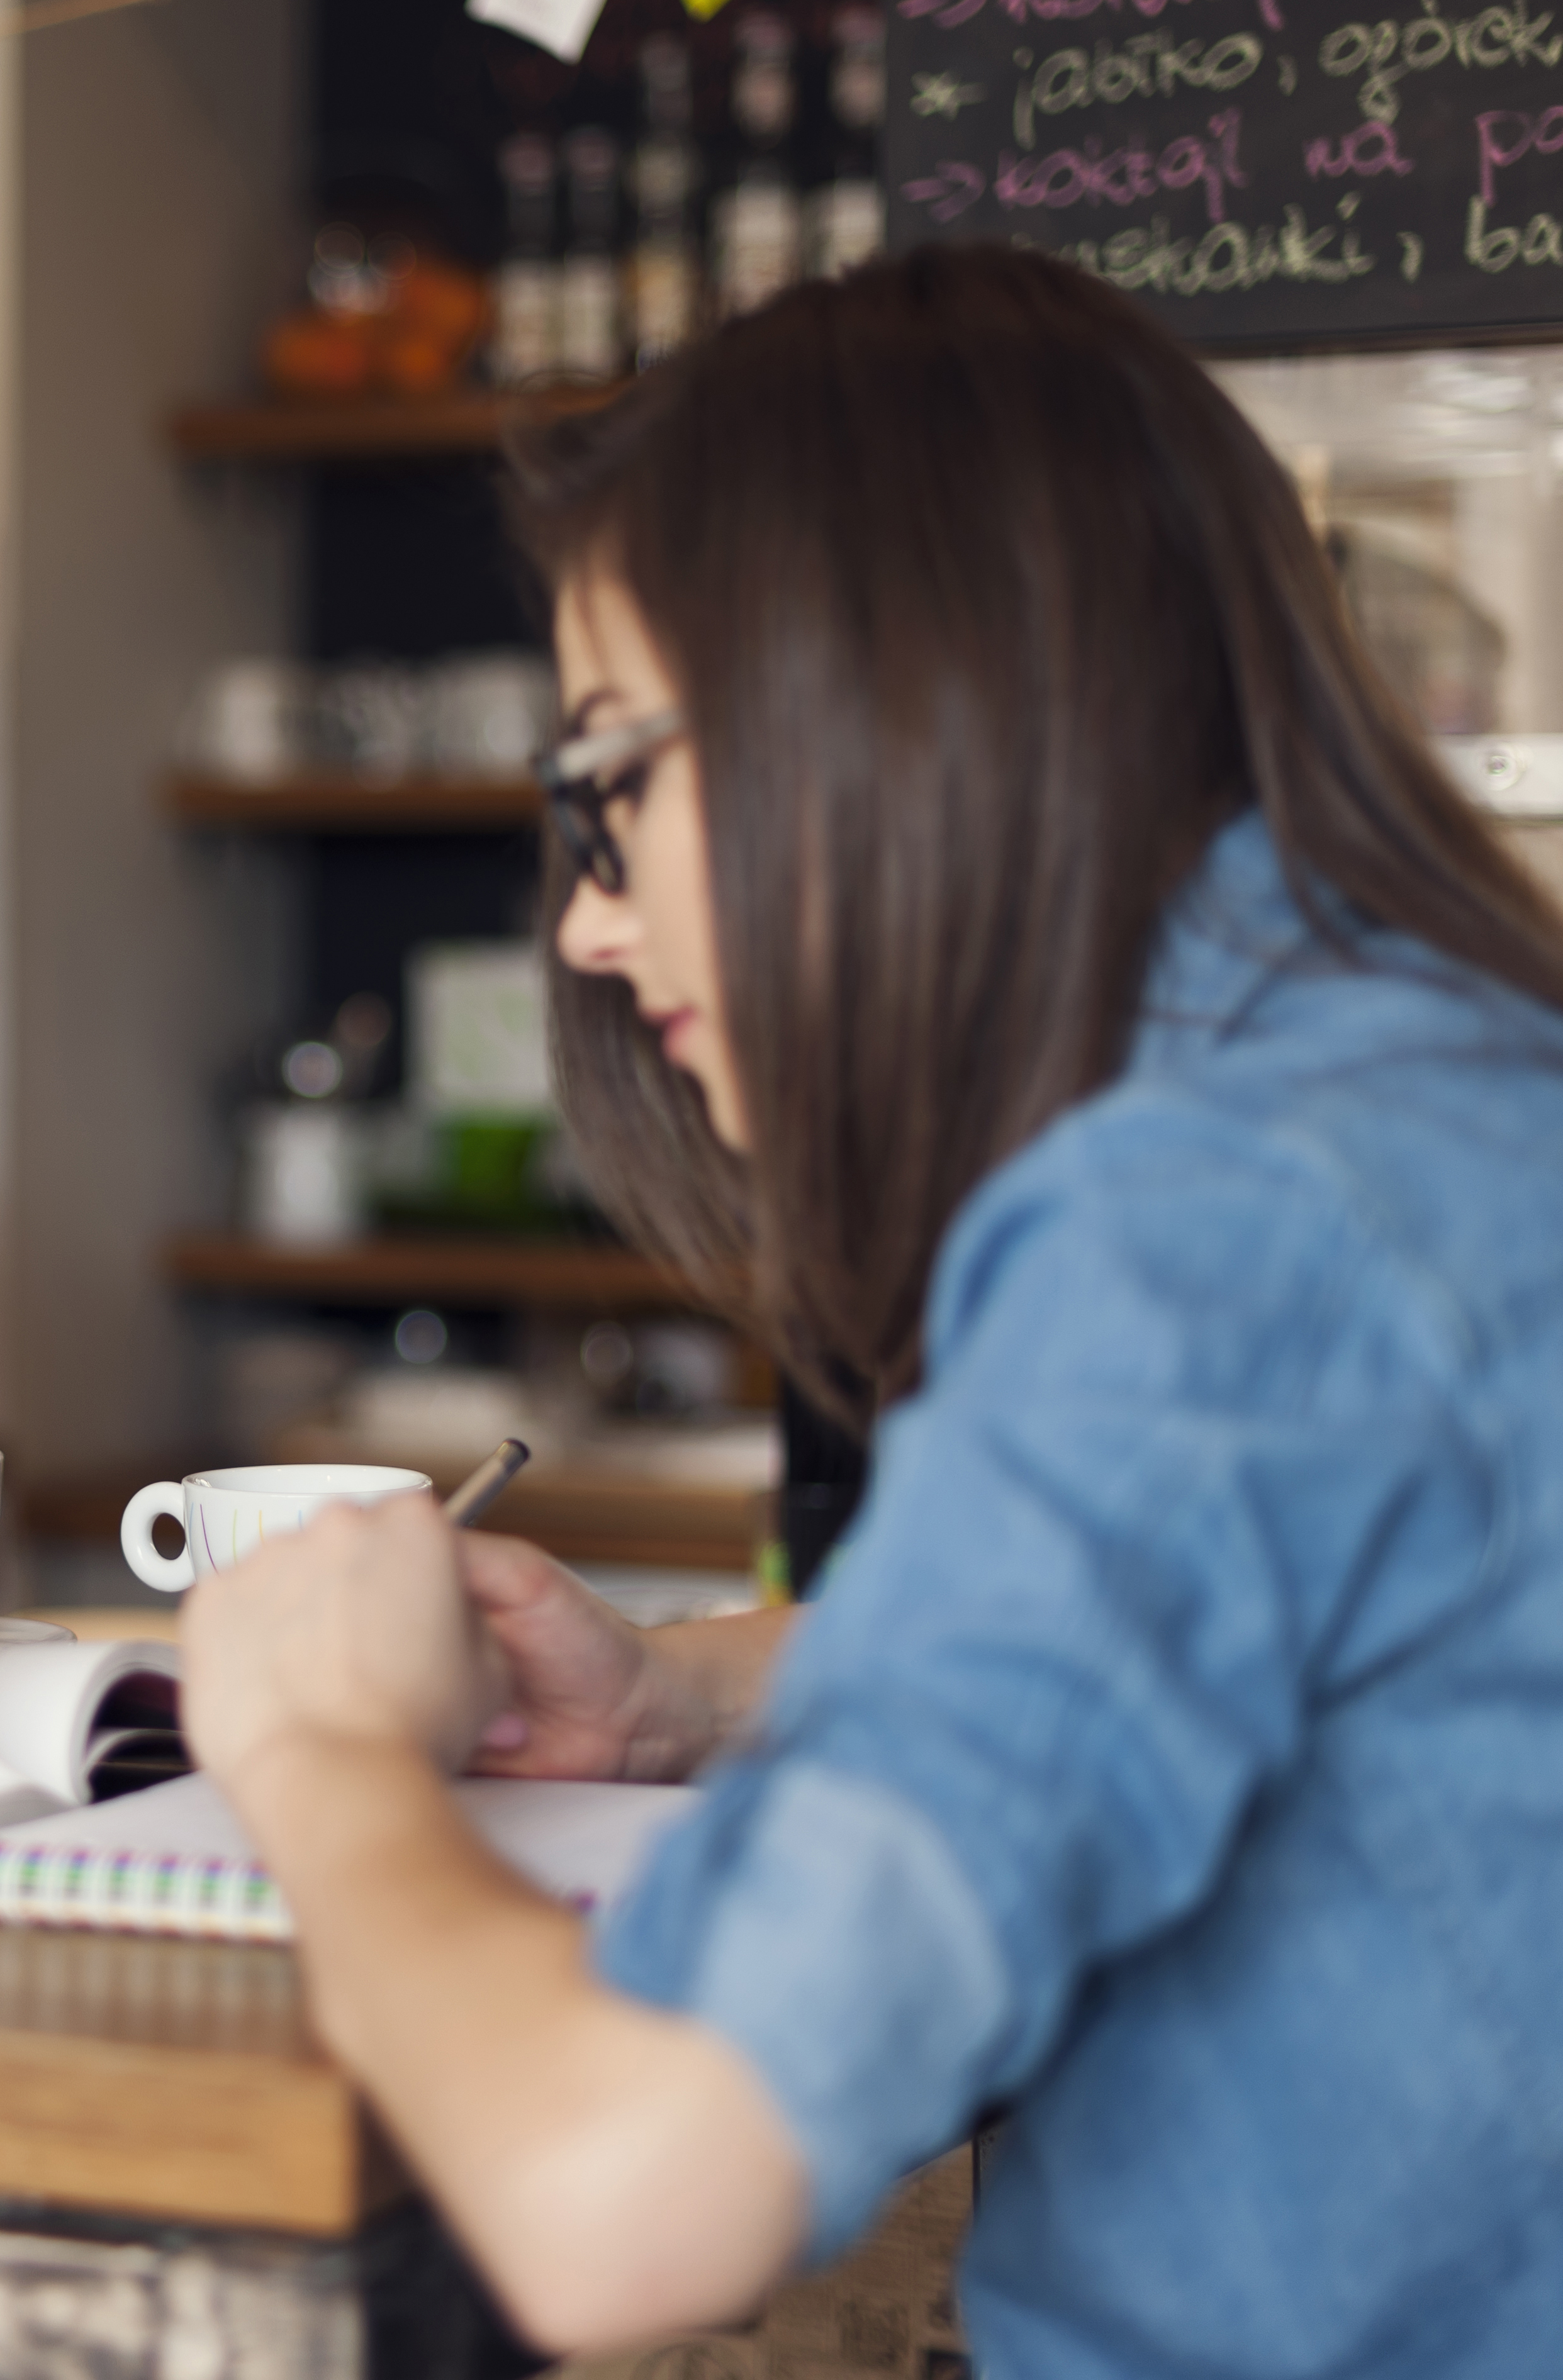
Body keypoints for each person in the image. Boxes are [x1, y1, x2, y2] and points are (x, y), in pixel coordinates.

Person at [181, 244, 1563, 2376]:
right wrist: (688, 1700)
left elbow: (620, 2197)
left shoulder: (1192, 1233)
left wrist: (321, 1758)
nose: (590, 915)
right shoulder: (1422, 1089)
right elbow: (1247, 1639)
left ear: (883, 703)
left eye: (611, 784)